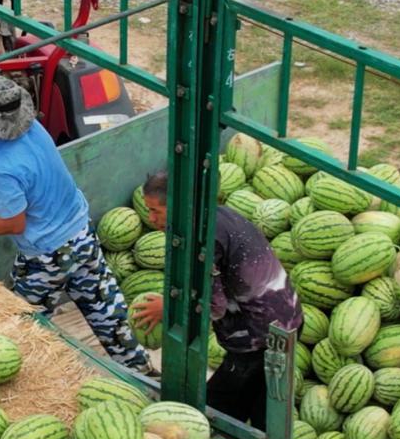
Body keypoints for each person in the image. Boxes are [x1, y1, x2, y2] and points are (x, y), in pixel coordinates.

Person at [0, 76, 150, 374]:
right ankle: (141, 371)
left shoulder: (6, 170)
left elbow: (14, 224)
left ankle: (31, 377)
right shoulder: (32, 129)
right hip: (81, 234)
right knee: (107, 310)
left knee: (26, 322)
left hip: (47, 257)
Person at [128, 170, 302, 423]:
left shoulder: (204, 241)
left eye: (156, 211)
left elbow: (214, 307)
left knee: (217, 410)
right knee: (261, 406)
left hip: (260, 335)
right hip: (287, 318)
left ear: (178, 206)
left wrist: (169, 308)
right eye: (148, 211)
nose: (151, 219)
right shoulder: (215, 216)